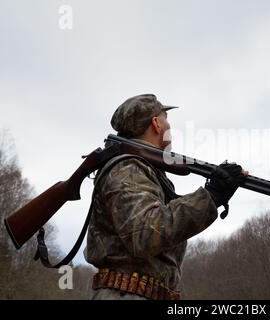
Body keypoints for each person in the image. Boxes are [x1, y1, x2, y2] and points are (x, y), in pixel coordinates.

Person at [84, 94, 247, 300]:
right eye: (166, 117)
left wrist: (214, 196)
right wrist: (211, 196)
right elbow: (144, 232)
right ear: (156, 123)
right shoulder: (128, 168)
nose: (170, 126)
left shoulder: (145, 170)